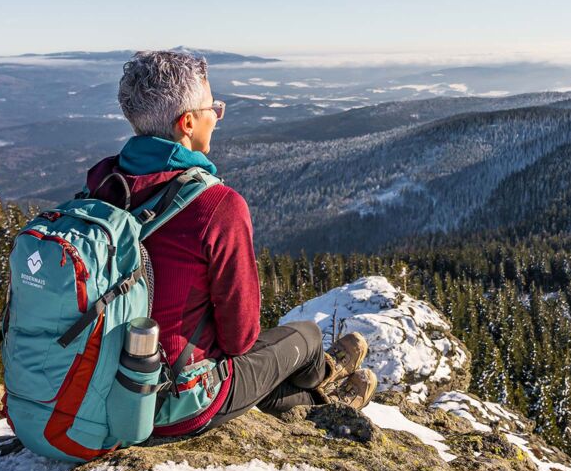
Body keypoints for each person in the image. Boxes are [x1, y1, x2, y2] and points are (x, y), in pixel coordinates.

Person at [84, 49, 378, 437]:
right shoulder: (215, 206)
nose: (217, 117)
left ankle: (324, 387)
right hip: (171, 405)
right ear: (187, 122)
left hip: (98, 392)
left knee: (262, 370)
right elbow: (240, 339)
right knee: (304, 338)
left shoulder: (100, 189)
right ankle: (329, 385)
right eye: (214, 108)